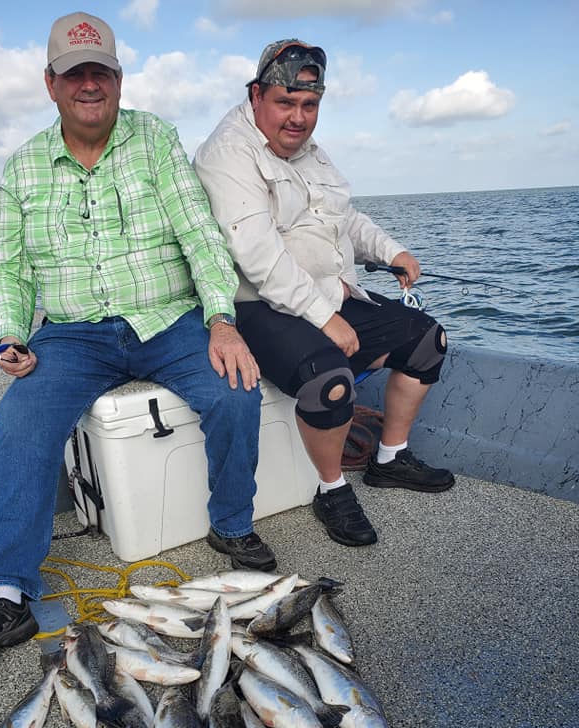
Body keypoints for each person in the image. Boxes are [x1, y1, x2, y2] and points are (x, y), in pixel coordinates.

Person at [0, 12, 276, 667]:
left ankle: (232, 524)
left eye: (100, 72)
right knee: (22, 418)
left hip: (167, 320)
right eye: (74, 74)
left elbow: (199, 234)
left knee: (236, 390)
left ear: (118, 79)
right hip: (73, 334)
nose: (88, 84)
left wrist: (221, 319)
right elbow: (11, 267)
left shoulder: (157, 139)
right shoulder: (23, 167)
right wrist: (11, 335)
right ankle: (6, 593)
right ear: (51, 83)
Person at [194, 40, 455, 549]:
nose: (298, 117)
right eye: (285, 102)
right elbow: (258, 256)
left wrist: (392, 251)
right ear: (256, 95)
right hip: (256, 305)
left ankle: (389, 459)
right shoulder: (227, 153)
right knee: (329, 381)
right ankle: (331, 489)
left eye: (309, 105)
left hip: (327, 292)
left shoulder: (309, 151)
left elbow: (343, 217)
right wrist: (324, 317)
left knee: (428, 340)